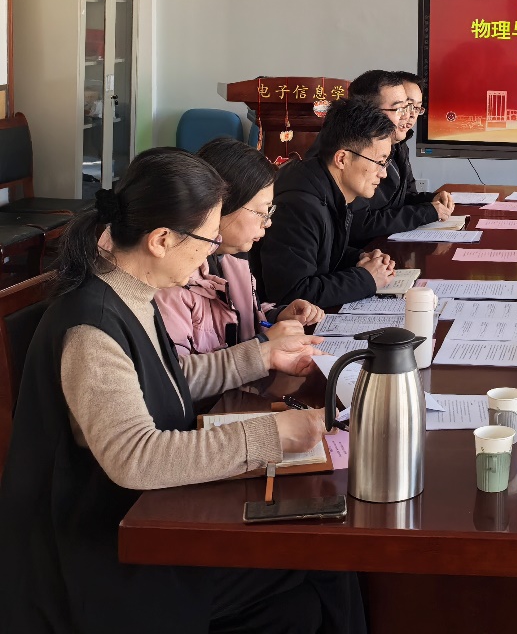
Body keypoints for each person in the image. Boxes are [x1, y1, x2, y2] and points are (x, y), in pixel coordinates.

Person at [0, 148, 364, 634]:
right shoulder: (92, 328)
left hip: (144, 518)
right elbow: (135, 457)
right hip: (102, 555)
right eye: (207, 238)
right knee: (321, 561)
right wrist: (271, 434)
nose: (213, 250)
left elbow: (162, 381)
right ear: (161, 239)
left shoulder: (130, 290)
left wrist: (257, 357)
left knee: (302, 599)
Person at [157, 138, 323, 357]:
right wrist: (264, 344)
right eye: (262, 212)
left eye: (270, 212)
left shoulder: (233, 259)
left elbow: (243, 322)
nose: (268, 223)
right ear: (221, 206)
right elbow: (180, 371)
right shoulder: (174, 278)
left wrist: (278, 317)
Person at [252, 99, 398, 310]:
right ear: (342, 159)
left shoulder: (325, 185)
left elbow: (320, 252)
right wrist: (366, 278)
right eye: (379, 162)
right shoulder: (299, 205)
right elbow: (291, 294)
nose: (383, 173)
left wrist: (361, 258)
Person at [345, 69, 453, 245]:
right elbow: (360, 223)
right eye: (403, 107)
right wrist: (425, 212)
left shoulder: (398, 144)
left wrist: (430, 201)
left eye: (416, 108)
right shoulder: (355, 150)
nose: (409, 115)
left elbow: (404, 198)